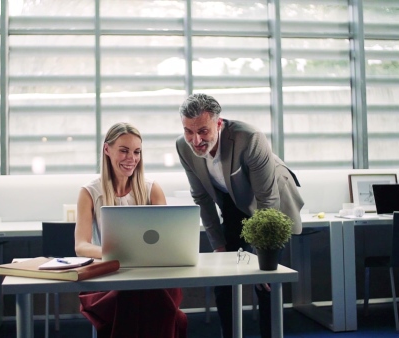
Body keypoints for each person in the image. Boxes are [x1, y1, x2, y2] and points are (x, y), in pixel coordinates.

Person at [175, 93, 304, 338]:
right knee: (224, 277)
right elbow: (201, 198)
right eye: (188, 131)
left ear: (219, 123)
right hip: (234, 203)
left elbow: (267, 199)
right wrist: (219, 247)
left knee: (266, 278)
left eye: (203, 131)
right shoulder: (183, 146)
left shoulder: (249, 138)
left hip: (272, 202)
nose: (196, 140)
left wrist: (260, 253)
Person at [74, 122, 187, 338]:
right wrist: (118, 254)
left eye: (136, 152)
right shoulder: (89, 192)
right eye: (124, 151)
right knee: (134, 297)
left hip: (152, 274)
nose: (131, 158)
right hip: (111, 275)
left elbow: (166, 241)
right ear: (107, 150)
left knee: (146, 296)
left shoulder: (151, 189)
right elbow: (81, 246)